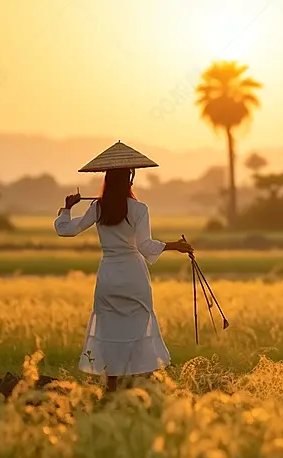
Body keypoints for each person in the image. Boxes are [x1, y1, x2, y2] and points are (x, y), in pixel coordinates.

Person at [54, 142, 192, 392]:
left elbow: (66, 230)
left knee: (109, 328)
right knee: (139, 326)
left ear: (107, 179)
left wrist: (67, 208)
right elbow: (145, 246)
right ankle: (142, 385)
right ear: (130, 179)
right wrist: (176, 246)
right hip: (134, 276)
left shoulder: (97, 207)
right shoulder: (140, 209)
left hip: (108, 275)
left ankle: (112, 385)